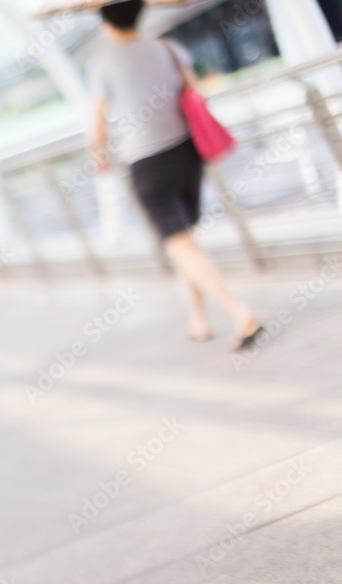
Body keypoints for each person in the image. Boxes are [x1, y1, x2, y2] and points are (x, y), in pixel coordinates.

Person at [88, 0, 263, 351]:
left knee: (179, 244)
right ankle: (198, 319)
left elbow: (98, 121)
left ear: (106, 22)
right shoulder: (167, 46)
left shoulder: (102, 64)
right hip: (186, 151)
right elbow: (194, 91)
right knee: (185, 242)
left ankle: (240, 312)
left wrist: (100, 154)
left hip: (146, 162)